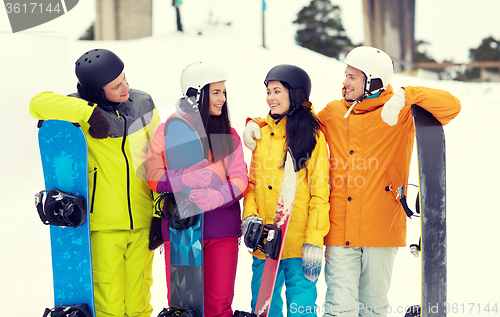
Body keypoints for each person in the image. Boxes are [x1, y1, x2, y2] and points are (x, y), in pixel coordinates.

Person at [243, 46, 461, 317]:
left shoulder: (400, 112)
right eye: (345, 75)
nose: (344, 82)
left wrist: (407, 95)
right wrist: (258, 123)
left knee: (372, 306)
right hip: (339, 229)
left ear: (373, 81)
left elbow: (452, 107)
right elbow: (296, 121)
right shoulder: (334, 112)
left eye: (352, 77)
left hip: (381, 228)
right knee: (338, 308)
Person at [29, 48, 162, 317]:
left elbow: (159, 159)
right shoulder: (76, 108)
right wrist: (86, 112)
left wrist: (159, 210)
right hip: (103, 226)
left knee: (139, 304)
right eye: (115, 86)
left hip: (142, 222)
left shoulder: (142, 103)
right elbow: (36, 103)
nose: (125, 88)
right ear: (96, 92)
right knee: (108, 306)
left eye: (125, 79)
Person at [146, 61, 248, 317]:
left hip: (221, 231)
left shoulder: (230, 135)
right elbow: (153, 177)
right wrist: (184, 179)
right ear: (196, 94)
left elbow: (240, 179)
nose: (222, 99)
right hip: (182, 233)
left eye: (224, 92)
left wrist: (219, 195)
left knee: (218, 305)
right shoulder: (168, 131)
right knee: (184, 309)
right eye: (216, 92)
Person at [241, 64, 330, 316]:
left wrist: (314, 239)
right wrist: (250, 217)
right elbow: (253, 184)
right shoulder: (262, 133)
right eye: (268, 91)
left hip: (298, 243)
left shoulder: (312, 135)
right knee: (264, 306)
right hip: (264, 240)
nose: (270, 97)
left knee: (301, 308)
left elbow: (320, 192)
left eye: (277, 91)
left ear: (296, 93)